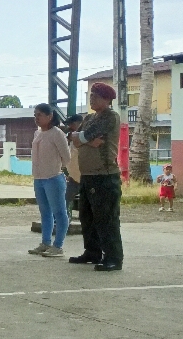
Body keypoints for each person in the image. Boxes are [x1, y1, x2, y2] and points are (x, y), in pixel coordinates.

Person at [66, 83, 123, 271]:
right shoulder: (90, 117)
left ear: (107, 99)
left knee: (106, 219)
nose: (92, 99)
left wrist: (83, 138)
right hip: (87, 175)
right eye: (91, 95)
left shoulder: (110, 116)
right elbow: (75, 138)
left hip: (104, 175)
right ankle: (92, 252)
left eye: (96, 96)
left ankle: (113, 258)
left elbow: (87, 136)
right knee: (87, 216)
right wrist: (87, 140)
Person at [27, 103, 72, 258]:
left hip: (53, 177)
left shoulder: (57, 133)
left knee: (59, 212)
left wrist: (55, 167)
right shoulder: (37, 133)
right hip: (39, 178)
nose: (36, 118)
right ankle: (45, 242)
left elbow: (67, 157)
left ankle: (58, 245)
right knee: (45, 212)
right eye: (35, 115)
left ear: (50, 116)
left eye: (39, 115)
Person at [63, 114, 84, 217]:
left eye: (71, 124)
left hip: (86, 177)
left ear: (78, 123)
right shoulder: (71, 138)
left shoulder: (85, 137)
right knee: (65, 199)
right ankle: (65, 220)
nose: (69, 126)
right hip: (73, 177)